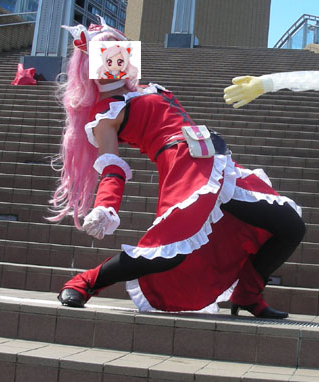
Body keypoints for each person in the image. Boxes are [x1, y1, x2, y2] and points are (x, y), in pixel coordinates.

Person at [49, 18, 304, 318]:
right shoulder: (104, 114)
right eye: (105, 52)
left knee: (290, 225)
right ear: (88, 64)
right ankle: (85, 282)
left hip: (214, 159)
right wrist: (105, 206)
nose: (115, 58)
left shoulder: (147, 89)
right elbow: (112, 166)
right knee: (168, 253)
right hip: (182, 167)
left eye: (118, 49)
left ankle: (248, 295)